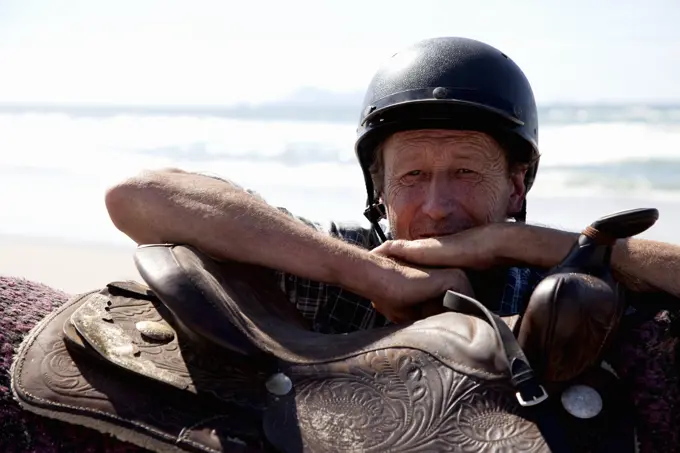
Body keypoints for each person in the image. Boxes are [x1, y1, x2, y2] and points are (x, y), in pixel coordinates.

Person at [105, 37, 680, 333]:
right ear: (377, 187)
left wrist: (517, 244)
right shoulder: (333, 265)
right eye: (411, 176)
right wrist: (373, 273)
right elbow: (137, 197)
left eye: (465, 172)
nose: (435, 206)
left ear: (517, 182)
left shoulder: (563, 286)